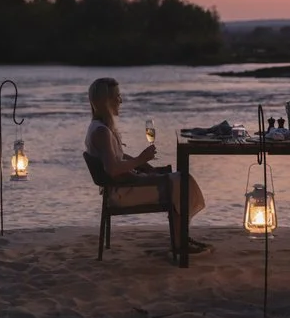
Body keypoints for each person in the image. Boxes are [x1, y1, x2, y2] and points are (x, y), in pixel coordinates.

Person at [84, 77, 210, 255]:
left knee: (180, 179)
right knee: (182, 183)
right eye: (117, 97)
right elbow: (112, 169)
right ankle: (180, 241)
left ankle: (180, 236)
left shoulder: (97, 127)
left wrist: (142, 163)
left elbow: (115, 157)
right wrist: (141, 160)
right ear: (105, 101)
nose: (120, 101)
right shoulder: (102, 132)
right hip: (122, 193)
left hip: (122, 188)